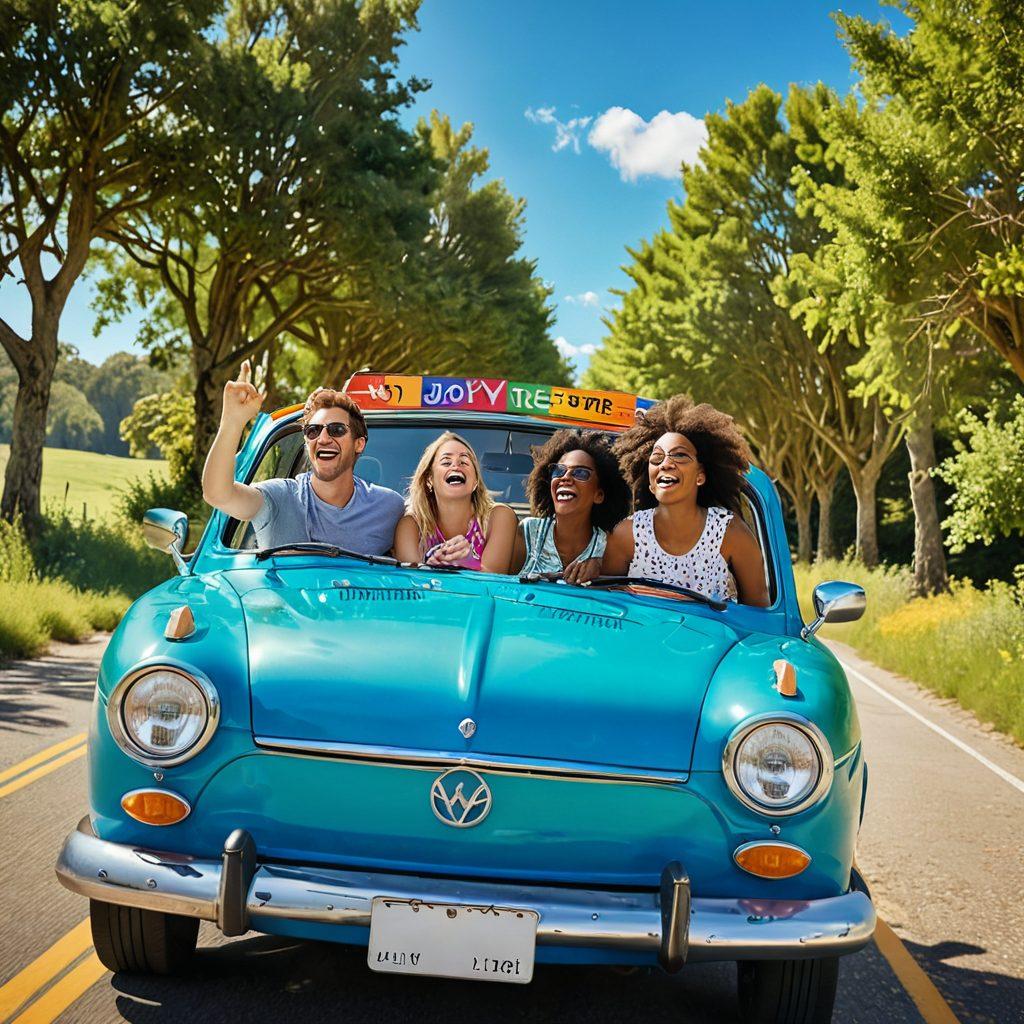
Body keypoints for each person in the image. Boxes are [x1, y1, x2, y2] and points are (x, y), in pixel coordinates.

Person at [201, 361, 405, 554]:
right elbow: (218, 494)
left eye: (337, 429)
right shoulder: (278, 498)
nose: (323, 438)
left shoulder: (389, 507)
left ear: (358, 444)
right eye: (313, 431)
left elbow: (416, 565)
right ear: (307, 443)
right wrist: (232, 421)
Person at [601, 395, 769, 607]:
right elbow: (608, 607)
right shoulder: (626, 534)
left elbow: (760, 616)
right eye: (656, 458)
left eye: (679, 455)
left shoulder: (730, 533)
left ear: (701, 476)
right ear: (651, 482)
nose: (666, 464)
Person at [510, 429, 631, 584]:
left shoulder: (610, 546)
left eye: (580, 473)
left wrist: (601, 569)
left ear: (599, 495)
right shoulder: (528, 532)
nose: (565, 477)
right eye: (558, 470)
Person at [393, 432, 517, 572]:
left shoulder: (499, 517)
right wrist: (429, 569)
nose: (456, 466)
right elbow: (411, 583)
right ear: (429, 480)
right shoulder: (412, 525)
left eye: (464, 462)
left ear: (475, 482)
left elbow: (494, 581)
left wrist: (470, 563)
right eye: (446, 462)